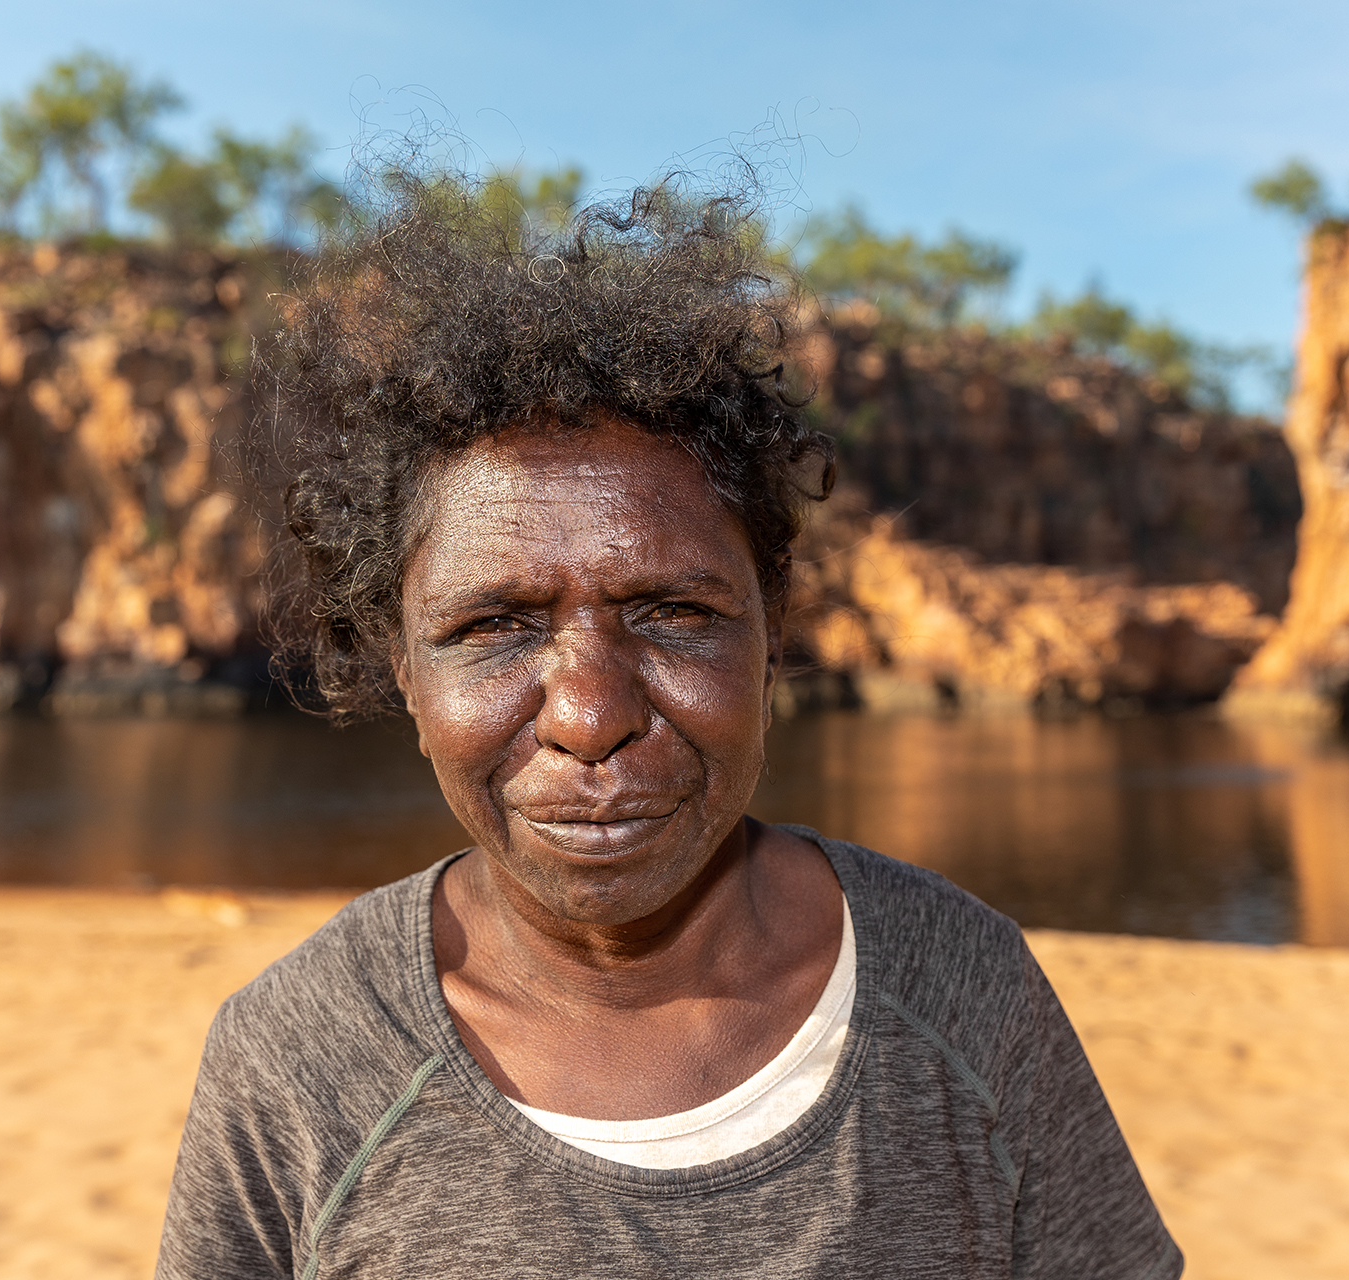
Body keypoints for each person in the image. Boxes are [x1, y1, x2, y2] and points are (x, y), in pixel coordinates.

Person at [154, 175, 1182, 1279]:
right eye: (494, 625)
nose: (590, 715)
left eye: (674, 614)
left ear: (772, 634)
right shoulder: (297, 1064)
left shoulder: (965, 995)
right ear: (403, 669)